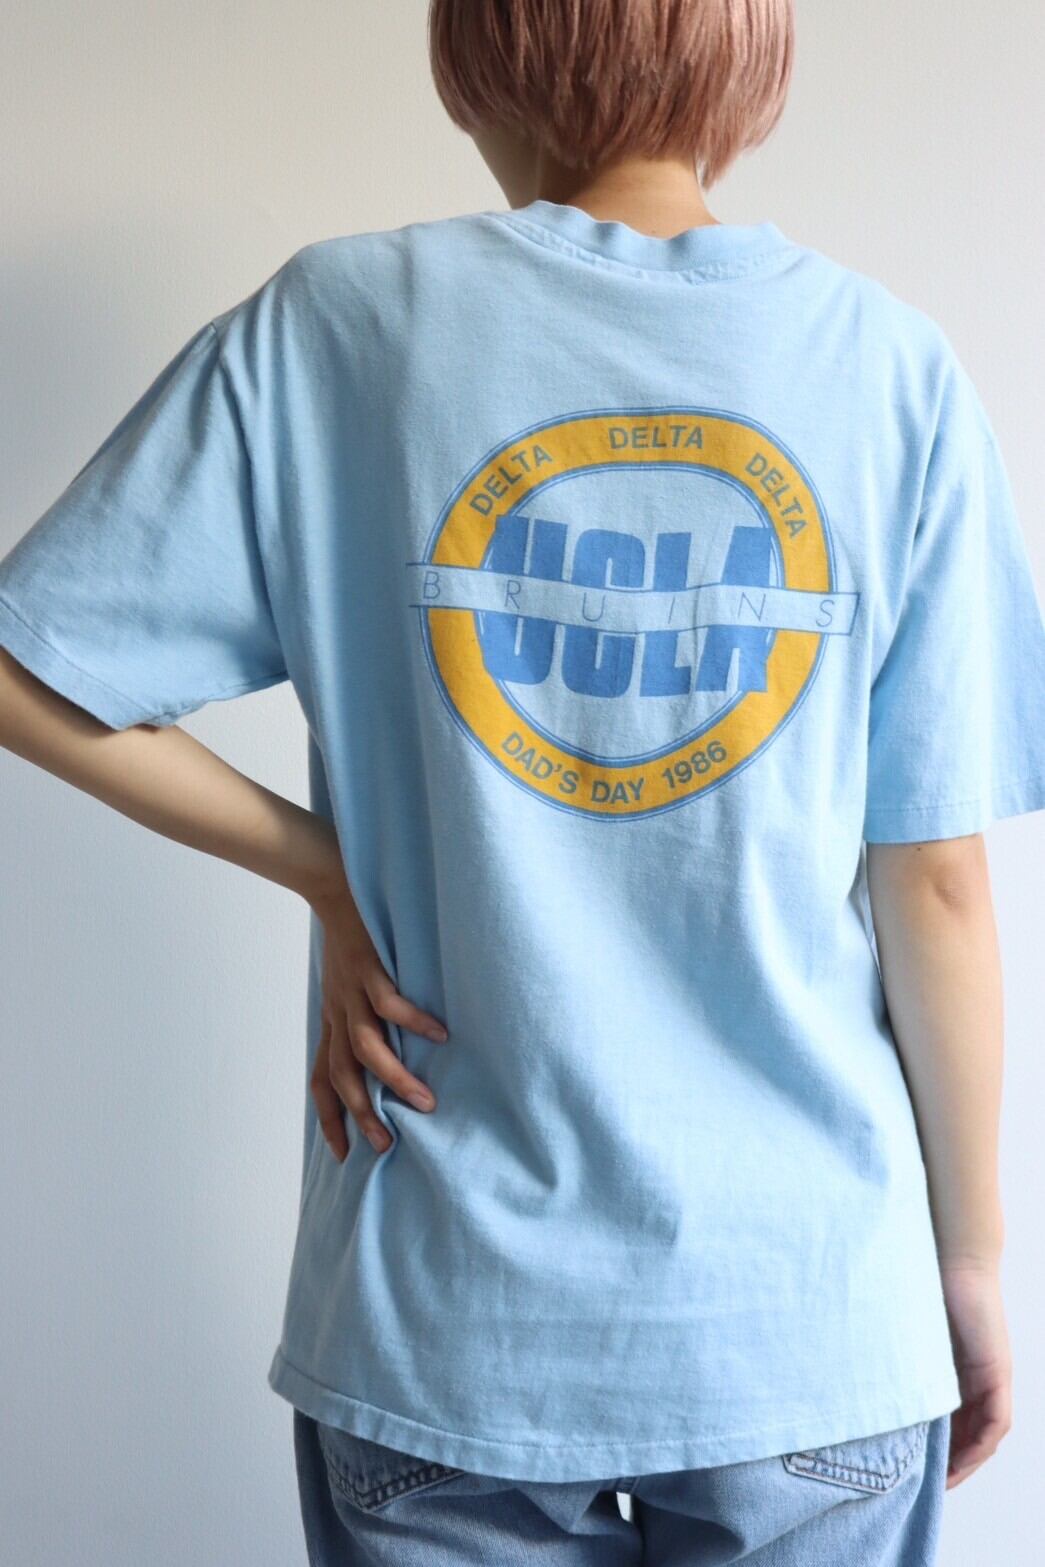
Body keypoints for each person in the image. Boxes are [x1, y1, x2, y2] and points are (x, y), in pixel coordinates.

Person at [1, 0, 1043, 1560]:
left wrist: (321, 865)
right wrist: (968, 1266)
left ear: (473, 58)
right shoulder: (887, 369)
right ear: (752, 63)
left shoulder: (339, 326)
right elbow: (938, 886)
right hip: (803, 1316)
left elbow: (25, 667)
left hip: (440, 1318)